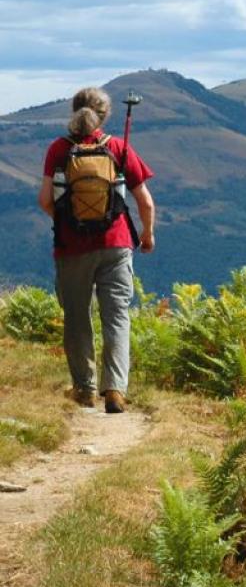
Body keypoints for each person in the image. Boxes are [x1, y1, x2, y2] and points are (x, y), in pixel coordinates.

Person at [37, 87, 155, 413]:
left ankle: (85, 389)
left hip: (71, 247)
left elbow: (45, 200)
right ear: (104, 115)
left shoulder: (58, 150)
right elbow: (144, 201)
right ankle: (115, 389)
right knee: (116, 317)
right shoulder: (118, 147)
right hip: (116, 245)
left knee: (77, 317)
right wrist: (147, 235)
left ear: (74, 111)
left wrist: (67, 223)